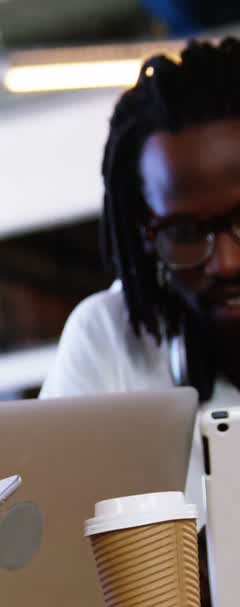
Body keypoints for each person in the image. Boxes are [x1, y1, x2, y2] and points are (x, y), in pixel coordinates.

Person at [40, 37, 240, 519]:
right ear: (144, 234)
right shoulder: (107, 341)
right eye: (185, 234)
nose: (227, 262)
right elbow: (50, 533)